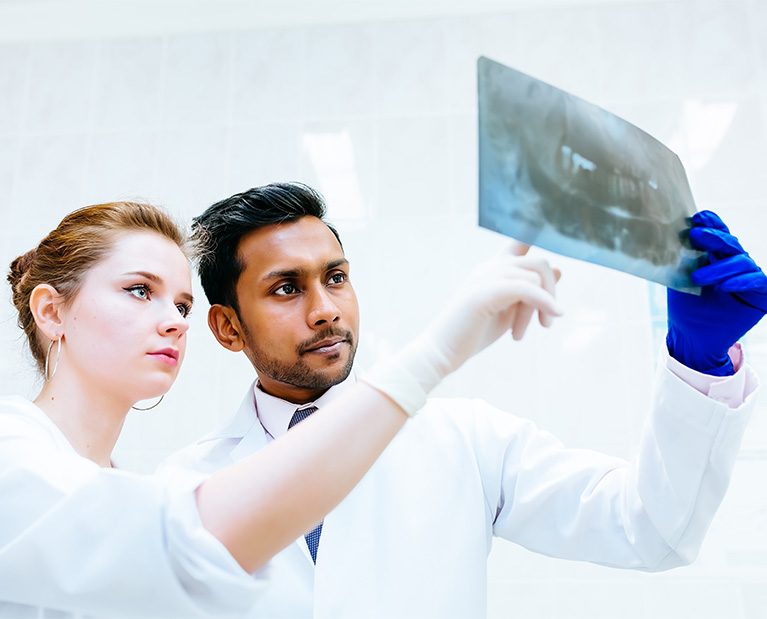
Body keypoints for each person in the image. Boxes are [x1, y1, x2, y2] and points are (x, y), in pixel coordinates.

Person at [163, 182, 764, 619]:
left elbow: (651, 530)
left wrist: (697, 361)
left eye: (336, 277)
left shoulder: (465, 441)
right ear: (227, 328)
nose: (324, 308)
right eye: (287, 288)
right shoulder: (184, 488)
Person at [0, 201, 564, 618]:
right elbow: (191, 543)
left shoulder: (132, 487)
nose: (174, 320)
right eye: (139, 290)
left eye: (181, 303)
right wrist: (432, 356)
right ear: (51, 311)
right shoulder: (12, 452)